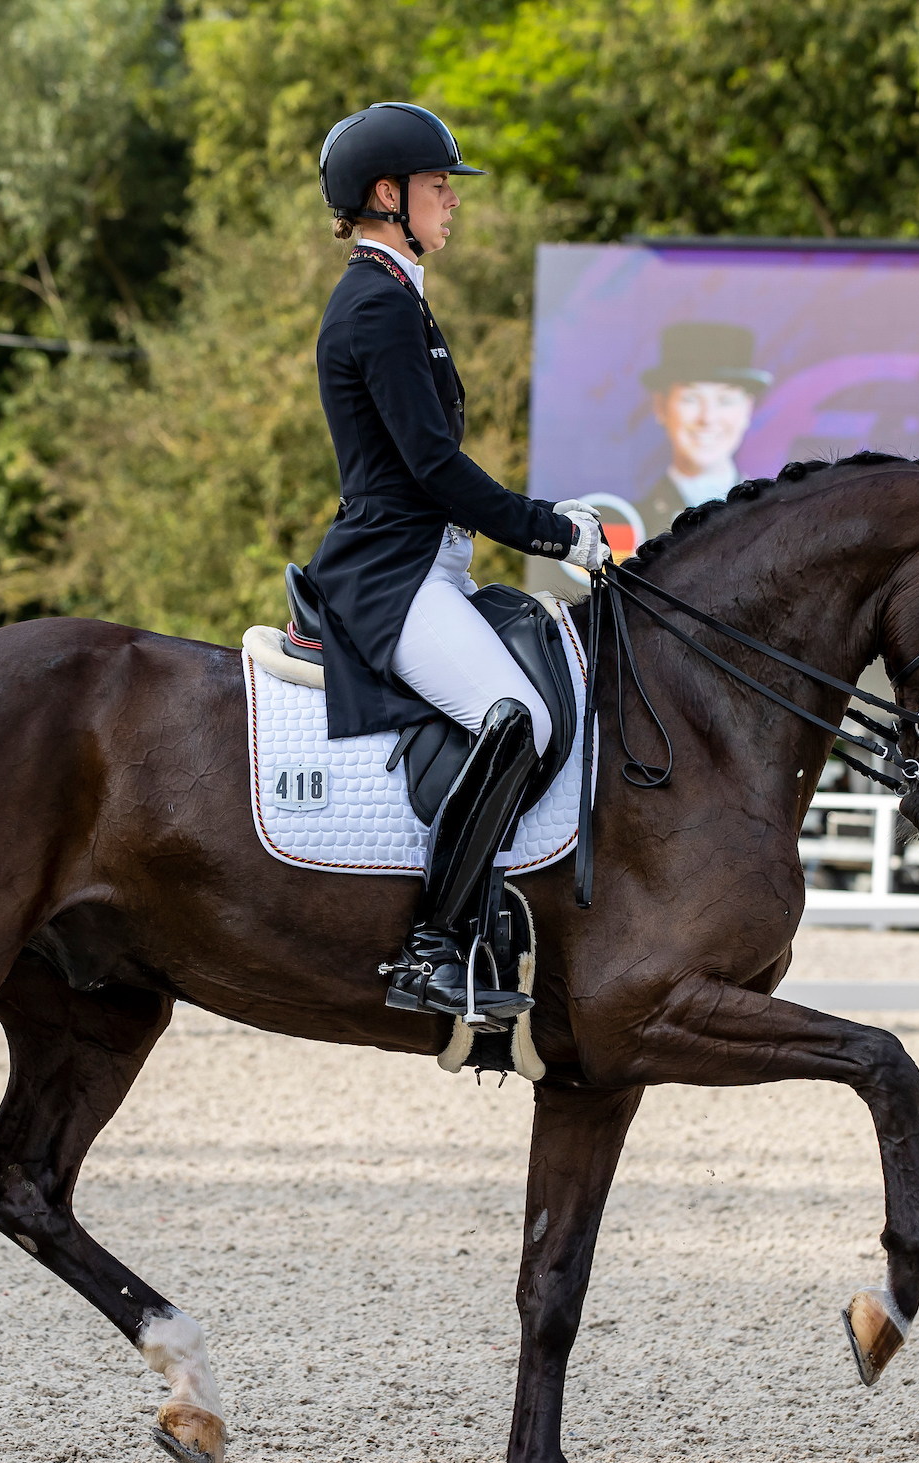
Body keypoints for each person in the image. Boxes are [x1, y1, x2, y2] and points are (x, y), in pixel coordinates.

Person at [310, 101, 608, 1021]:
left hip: (430, 568)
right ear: (388, 196)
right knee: (513, 716)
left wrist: (539, 519)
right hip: (391, 577)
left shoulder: (398, 296)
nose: (453, 202)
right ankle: (432, 950)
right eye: (440, 186)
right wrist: (551, 532)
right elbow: (433, 469)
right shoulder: (374, 306)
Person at [632, 322, 772, 536]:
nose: (707, 418)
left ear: (747, 409)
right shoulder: (630, 526)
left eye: (725, 400)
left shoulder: (774, 519)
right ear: (661, 407)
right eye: (691, 399)